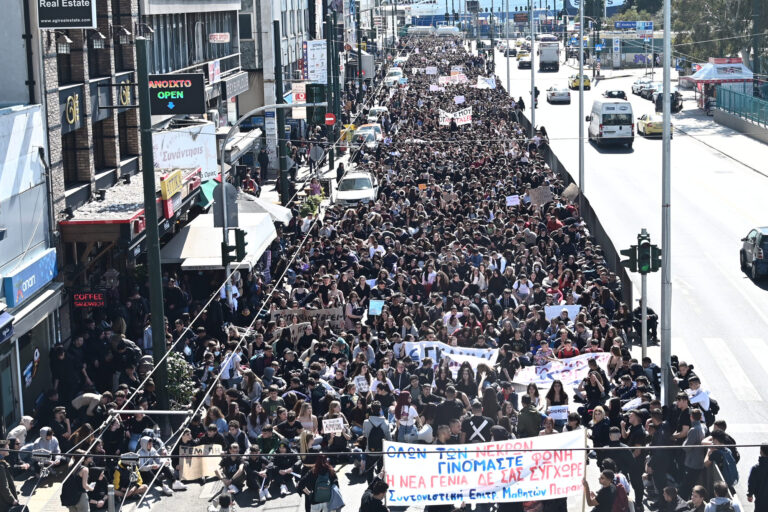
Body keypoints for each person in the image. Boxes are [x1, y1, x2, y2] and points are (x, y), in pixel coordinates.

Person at [748, 443, 768, 512]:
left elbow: (752, 482)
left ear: (761, 452)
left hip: (760, 501)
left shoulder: (756, 468)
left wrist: (750, 494)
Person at [0, 440, 18, 512]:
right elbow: (3, 487)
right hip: (4, 503)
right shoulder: (0, 466)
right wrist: (12, 500)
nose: (9, 448)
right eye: (7, 446)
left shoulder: (2, 462)